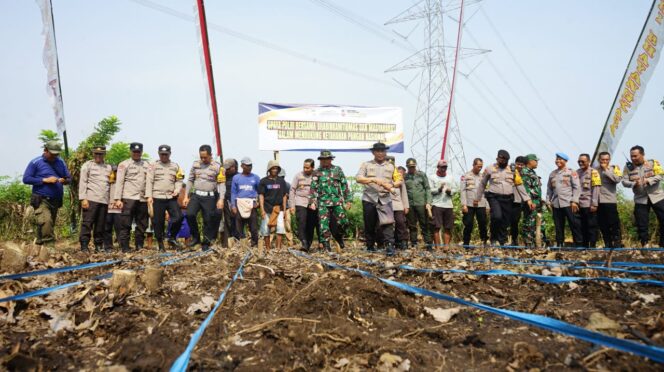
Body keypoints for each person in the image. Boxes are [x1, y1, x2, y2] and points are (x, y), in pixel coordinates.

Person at [476, 150, 530, 246]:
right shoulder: (489, 168)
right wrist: (477, 198)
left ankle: (502, 241)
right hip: (494, 197)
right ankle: (493, 238)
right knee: (497, 216)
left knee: (505, 220)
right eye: (501, 160)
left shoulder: (513, 170)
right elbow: (482, 184)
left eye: (505, 161)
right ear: (497, 158)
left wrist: (527, 199)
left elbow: (519, 185)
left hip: (508, 198)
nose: (502, 162)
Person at [22, 140, 72, 246]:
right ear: (45, 150)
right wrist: (45, 180)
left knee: (47, 224)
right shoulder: (35, 162)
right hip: (41, 199)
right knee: (46, 221)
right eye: (52, 154)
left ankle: (39, 245)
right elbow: (26, 179)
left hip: (56, 200)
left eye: (56, 154)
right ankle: (50, 247)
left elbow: (69, 178)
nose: (54, 156)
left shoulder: (60, 162)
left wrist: (64, 180)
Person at [356, 143, 397, 255]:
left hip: (385, 198)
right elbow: (358, 178)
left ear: (386, 152)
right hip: (369, 198)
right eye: (377, 151)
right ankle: (370, 246)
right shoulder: (366, 165)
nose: (380, 153)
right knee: (370, 224)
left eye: (382, 151)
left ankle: (389, 246)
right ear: (373, 152)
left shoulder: (391, 166)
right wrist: (373, 179)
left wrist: (393, 185)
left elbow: (398, 180)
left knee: (388, 223)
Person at [182, 145, 225, 251]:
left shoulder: (218, 167)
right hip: (196, 195)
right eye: (201, 157)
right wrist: (186, 196)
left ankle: (206, 242)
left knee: (208, 220)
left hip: (209, 197)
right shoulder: (196, 165)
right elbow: (190, 180)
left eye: (205, 157)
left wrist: (221, 199)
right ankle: (196, 237)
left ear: (210, 155)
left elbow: (221, 184)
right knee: (189, 214)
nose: (203, 159)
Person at [622, 145, 664, 247]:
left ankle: (662, 244)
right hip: (640, 199)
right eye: (631, 156)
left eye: (635, 156)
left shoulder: (653, 163)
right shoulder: (627, 167)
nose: (633, 158)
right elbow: (624, 181)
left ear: (642, 155)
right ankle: (644, 244)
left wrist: (649, 180)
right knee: (642, 223)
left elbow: (661, 175)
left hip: (657, 196)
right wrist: (633, 184)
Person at [309, 150, 352, 251]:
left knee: (344, 222)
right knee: (323, 224)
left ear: (331, 159)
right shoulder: (316, 172)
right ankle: (326, 246)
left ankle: (339, 237)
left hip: (337, 201)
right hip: (323, 202)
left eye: (327, 159)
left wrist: (348, 200)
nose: (324, 161)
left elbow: (344, 185)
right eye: (322, 159)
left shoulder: (338, 170)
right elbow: (313, 188)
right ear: (320, 160)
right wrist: (312, 202)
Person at [146, 145, 185, 251]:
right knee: (158, 222)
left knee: (179, 217)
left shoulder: (175, 166)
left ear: (169, 154)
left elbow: (179, 180)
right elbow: (149, 181)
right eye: (162, 154)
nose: (164, 156)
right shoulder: (153, 165)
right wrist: (149, 196)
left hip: (170, 197)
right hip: (157, 197)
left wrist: (177, 189)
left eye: (166, 154)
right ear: (159, 154)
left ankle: (172, 237)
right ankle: (160, 243)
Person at [113, 142, 149, 251]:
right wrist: (118, 199)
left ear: (141, 152)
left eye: (138, 152)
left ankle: (139, 245)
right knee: (126, 223)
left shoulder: (147, 165)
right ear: (131, 151)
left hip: (142, 198)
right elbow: (119, 182)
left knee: (142, 223)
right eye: (134, 152)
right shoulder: (124, 164)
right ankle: (125, 246)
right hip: (129, 197)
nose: (136, 154)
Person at [78, 146, 112, 252]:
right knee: (87, 223)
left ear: (104, 154)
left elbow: (111, 183)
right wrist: (83, 198)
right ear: (93, 154)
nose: (98, 156)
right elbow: (83, 182)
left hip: (104, 200)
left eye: (100, 154)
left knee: (100, 225)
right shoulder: (87, 165)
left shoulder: (108, 167)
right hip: (91, 199)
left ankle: (98, 245)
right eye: (96, 153)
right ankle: (84, 245)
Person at [547, 152, 582, 247]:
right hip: (556, 203)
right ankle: (559, 244)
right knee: (558, 226)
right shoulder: (552, 174)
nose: (558, 161)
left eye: (560, 159)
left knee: (574, 224)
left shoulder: (571, 172)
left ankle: (578, 244)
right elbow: (549, 189)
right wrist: (548, 201)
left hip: (569, 203)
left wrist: (575, 201)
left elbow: (577, 187)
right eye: (557, 159)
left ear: (565, 161)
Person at [231, 157, 261, 247]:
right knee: (239, 225)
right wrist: (233, 206)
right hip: (239, 203)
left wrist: (258, 202)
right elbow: (233, 192)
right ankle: (242, 243)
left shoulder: (255, 177)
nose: (249, 167)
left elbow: (260, 191)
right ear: (242, 166)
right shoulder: (236, 178)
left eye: (250, 165)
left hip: (252, 203)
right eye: (247, 165)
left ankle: (254, 243)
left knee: (254, 226)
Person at [259, 160, 288, 251]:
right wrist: (262, 209)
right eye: (273, 168)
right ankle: (267, 248)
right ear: (269, 169)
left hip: (278, 208)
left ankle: (278, 248)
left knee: (280, 228)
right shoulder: (263, 181)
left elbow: (284, 195)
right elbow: (261, 195)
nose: (275, 170)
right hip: (267, 208)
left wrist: (284, 209)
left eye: (276, 168)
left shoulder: (281, 181)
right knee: (265, 229)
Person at [290, 159, 318, 251]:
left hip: (313, 203)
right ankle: (304, 242)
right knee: (301, 222)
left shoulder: (317, 175)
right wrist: (292, 205)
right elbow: (292, 190)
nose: (305, 169)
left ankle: (308, 244)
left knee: (311, 224)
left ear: (312, 167)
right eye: (304, 167)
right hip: (300, 202)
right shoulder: (298, 175)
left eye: (307, 167)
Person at [596, 151, 623, 248]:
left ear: (609, 160)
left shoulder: (615, 168)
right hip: (598, 201)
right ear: (599, 160)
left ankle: (617, 243)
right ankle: (607, 243)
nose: (604, 161)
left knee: (613, 223)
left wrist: (605, 170)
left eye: (606, 160)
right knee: (602, 224)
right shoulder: (594, 170)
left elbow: (617, 180)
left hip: (609, 200)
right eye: (602, 159)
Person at [404, 158, 432, 247]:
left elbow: (427, 188)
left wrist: (428, 202)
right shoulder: (405, 177)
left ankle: (428, 244)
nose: (411, 168)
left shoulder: (421, 175)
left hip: (421, 204)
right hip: (410, 204)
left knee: (424, 224)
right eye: (409, 167)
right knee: (412, 225)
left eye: (413, 167)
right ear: (407, 167)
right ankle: (414, 244)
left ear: (415, 166)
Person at [460, 158, 488, 247]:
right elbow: (463, 191)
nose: (480, 168)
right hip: (469, 204)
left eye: (481, 167)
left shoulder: (483, 177)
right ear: (473, 165)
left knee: (483, 224)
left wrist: (487, 205)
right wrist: (464, 204)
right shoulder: (466, 176)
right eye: (478, 166)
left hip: (481, 204)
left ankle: (484, 242)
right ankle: (466, 244)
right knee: (468, 224)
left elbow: (485, 191)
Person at [576, 154, 601, 247]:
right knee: (581, 226)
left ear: (589, 161)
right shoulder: (577, 172)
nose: (580, 163)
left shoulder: (594, 172)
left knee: (592, 226)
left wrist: (594, 204)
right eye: (579, 161)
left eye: (583, 161)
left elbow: (596, 188)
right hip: (579, 204)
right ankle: (585, 245)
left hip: (589, 203)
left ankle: (593, 245)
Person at [429, 159, 454, 247]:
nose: (444, 169)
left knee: (448, 227)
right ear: (438, 167)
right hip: (437, 204)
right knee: (436, 227)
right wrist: (438, 190)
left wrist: (450, 191)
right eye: (442, 167)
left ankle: (446, 247)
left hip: (448, 204)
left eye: (445, 167)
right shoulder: (432, 177)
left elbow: (455, 190)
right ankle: (437, 248)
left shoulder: (450, 177)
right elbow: (430, 190)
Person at [521, 154, 543, 247]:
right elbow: (526, 189)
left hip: (537, 202)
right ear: (530, 161)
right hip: (530, 202)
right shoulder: (525, 172)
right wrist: (530, 201)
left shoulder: (532, 172)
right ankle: (529, 244)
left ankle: (536, 243)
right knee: (529, 223)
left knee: (536, 223)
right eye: (535, 160)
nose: (537, 162)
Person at [387, 158, 409, 250]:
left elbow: (404, 192)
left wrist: (406, 206)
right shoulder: (383, 176)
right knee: (387, 225)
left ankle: (403, 242)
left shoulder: (399, 177)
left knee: (401, 223)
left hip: (398, 204)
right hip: (386, 204)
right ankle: (390, 243)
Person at [104, 165, 122, 251]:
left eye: (117, 172)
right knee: (107, 228)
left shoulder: (122, 183)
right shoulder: (107, 182)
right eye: (114, 172)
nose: (115, 174)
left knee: (119, 228)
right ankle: (108, 246)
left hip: (118, 209)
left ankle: (122, 245)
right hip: (108, 208)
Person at [510, 156, 527, 246]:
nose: (519, 166)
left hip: (519, 201)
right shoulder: (510, 171)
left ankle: (514, 240)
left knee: (515, 221)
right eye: (518, 164)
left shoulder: (526, 174)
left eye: (522, 165)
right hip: (509, 199)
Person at [222, 158, 239, 245]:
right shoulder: (223, 176)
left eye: (228, 169)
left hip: (237, 202)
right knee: (227, 222)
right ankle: (226, 243)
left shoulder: (239, 177)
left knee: (237, 222)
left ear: (234, 167)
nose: (227, 170)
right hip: (225, 201)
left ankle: (238, 241)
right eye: (226, 169)